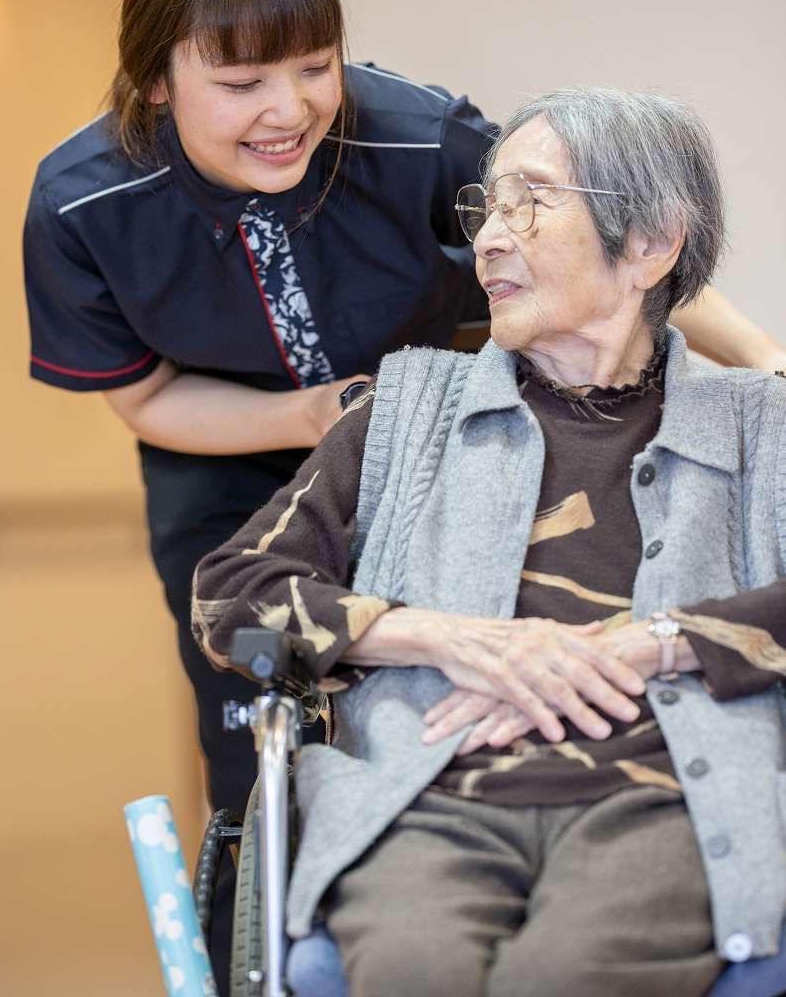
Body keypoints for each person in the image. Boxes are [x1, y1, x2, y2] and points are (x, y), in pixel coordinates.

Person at [192, 87, 786, 997]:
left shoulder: (755, 427)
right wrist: (441, 636)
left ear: (652, 242)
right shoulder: (406, 412)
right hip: (429, 804)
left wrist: (651, 645)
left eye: (529, 201)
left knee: (568, 975)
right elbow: (228, 595)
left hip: (663, 804)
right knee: (410, 967)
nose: (488, 239)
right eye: (485, 206)